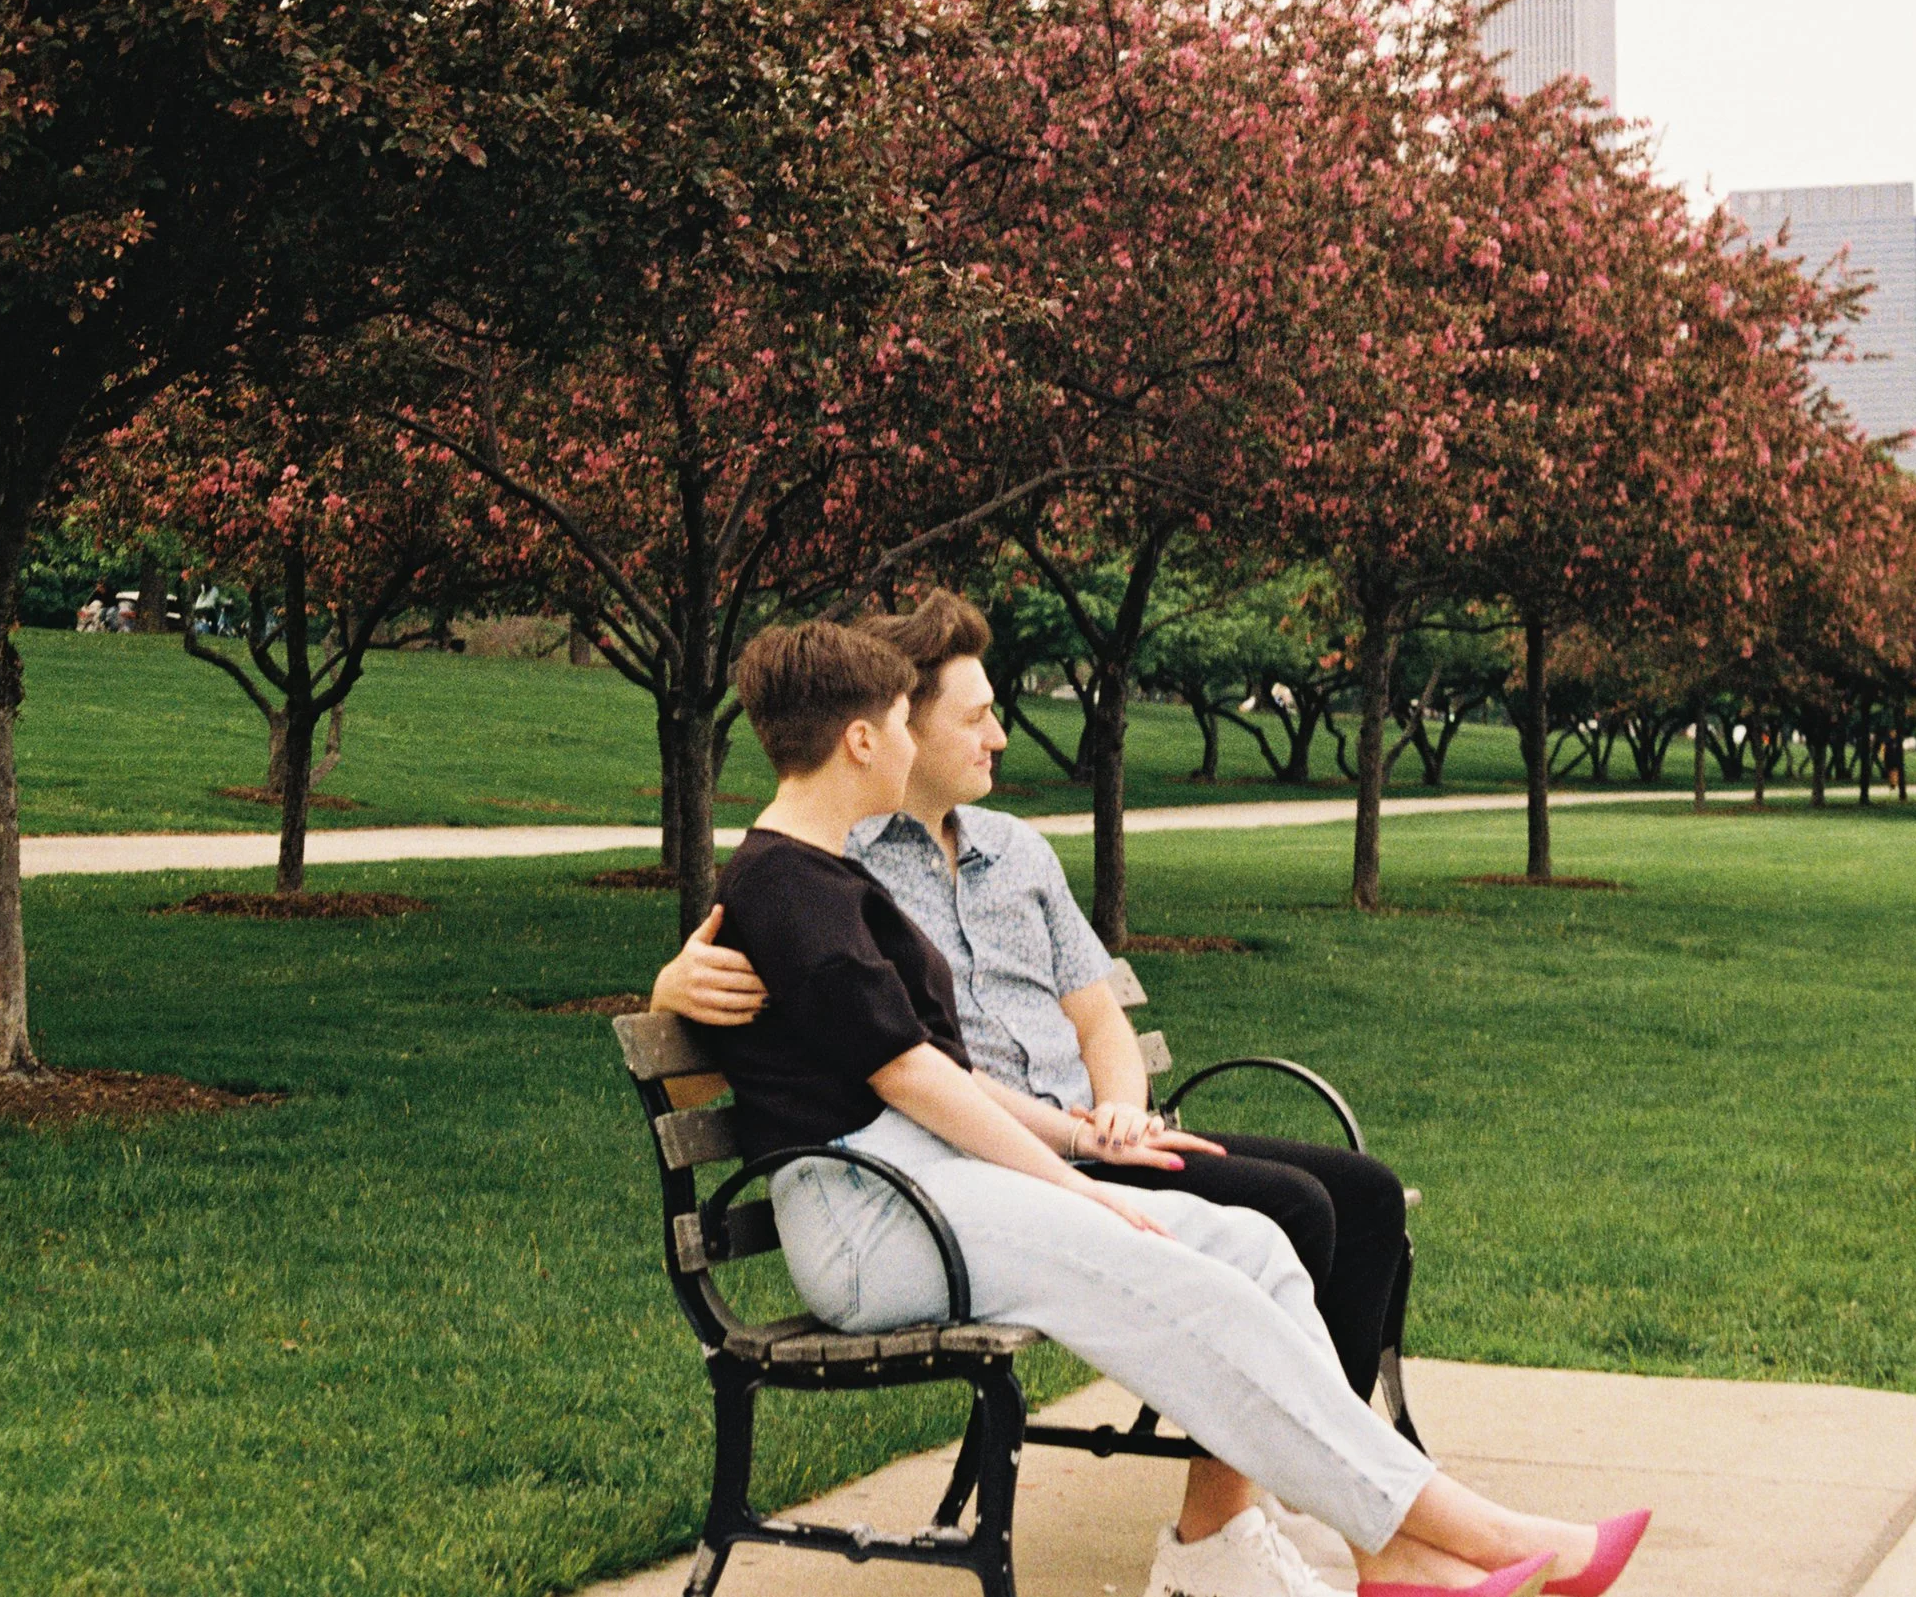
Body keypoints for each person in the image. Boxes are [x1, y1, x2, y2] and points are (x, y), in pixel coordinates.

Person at [676, 619, 1650, 1597]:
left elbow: (917, 1066)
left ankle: (1383, 1547)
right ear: (860, 739)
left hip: (924, 1187)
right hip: (875, 1218)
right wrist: (1074, 1186)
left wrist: (1076, 1154)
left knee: (1251, 1249)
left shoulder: (817, 875)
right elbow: (909, 1075)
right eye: (899, 720)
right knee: (1182, 1276)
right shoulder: (787, 883)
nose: (909, 739)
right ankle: (1473, 1530)